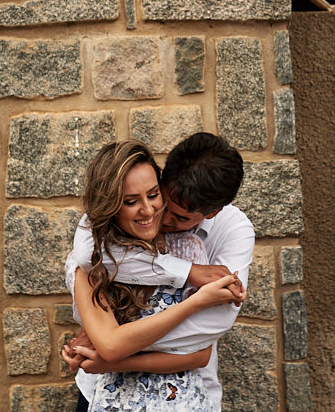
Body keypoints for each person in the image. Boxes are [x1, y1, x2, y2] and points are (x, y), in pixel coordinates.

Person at [65, 133, 255, 410]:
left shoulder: (211, 239)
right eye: (163, 199)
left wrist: (113, 343)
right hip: (102, 392)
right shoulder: (95, 251)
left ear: (211, 213)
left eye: (180, 217)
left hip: (182, 396)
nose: (159, 216)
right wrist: (189, 273)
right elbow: (86, 256)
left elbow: (206, 337)